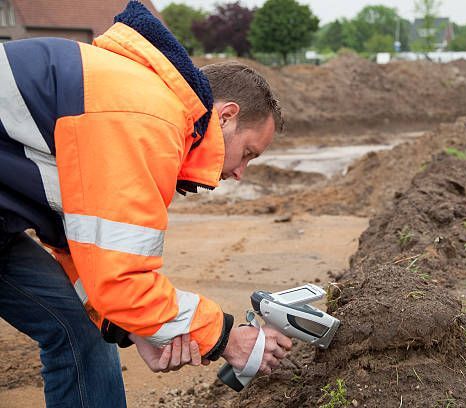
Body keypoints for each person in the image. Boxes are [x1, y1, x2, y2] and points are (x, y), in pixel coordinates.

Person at [0, 1, 291, 406]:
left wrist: (129, 327)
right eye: (249, 153)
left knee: (82, 332)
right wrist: (225, 337)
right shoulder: (145, 117)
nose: (241, 172)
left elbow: (81, 248)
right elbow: (123, 278)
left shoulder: (137, 100)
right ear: (226, 117)